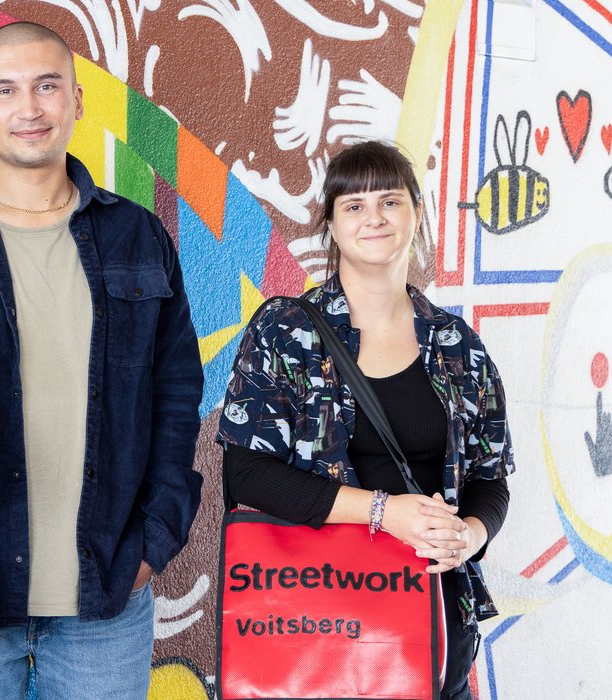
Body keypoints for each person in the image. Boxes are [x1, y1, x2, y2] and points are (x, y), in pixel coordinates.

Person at [0, 21, 203, 698]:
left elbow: (177, 394)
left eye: (47, 86)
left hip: (107, 589)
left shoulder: (137, 235)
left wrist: (155, 538)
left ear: (77, 101)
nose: (28, 107)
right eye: (5, 90)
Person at [218, 140, 513, 699]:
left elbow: (490, 479)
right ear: (330, 224)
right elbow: (245, 475)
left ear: (416, 213)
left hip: (433, 629)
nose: (374, 217)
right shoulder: (286, 331)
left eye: (390, 201)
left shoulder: (458, 346)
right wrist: (383, 512)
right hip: (317, 631)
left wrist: (468, 535)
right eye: (353, 206)